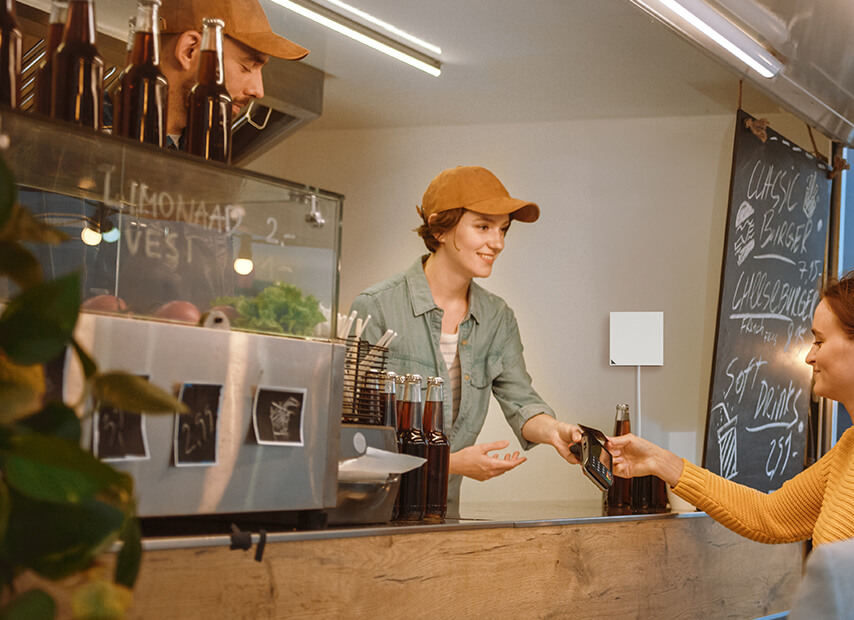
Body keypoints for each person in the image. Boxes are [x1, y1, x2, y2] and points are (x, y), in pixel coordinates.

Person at [350, 165, 582, 514]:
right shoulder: (377, 307)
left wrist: (555, 431)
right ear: (440, 228)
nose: (498, 242)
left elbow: (521, 401)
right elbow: (352, 437)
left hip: (441, 516)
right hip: (372, 515)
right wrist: (453, 464)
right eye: (483, 226)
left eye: (503, 229)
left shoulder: (497, 317)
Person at [607, 273, 854, 546]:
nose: (809, 356)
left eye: (819, 341)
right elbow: (769, 516)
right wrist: (660, 461)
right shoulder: (847, 449)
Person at [106, 0, 309, 148]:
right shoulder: (83, 134)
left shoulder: (201, 159)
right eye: (246, 66)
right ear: (190, 51)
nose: (258, 91)